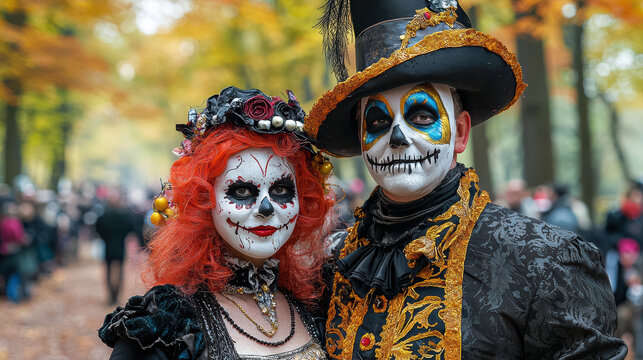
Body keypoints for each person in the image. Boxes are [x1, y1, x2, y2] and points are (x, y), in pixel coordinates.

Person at [306, 0, 626, 358]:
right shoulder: (334, 264)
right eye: (378, 122)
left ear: (460, 132)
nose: (397, 138)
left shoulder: (543, 260)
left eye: (422, 115)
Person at [98, 86, 334, 359]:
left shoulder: (317, 304)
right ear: (203, 201)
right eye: (242, 191)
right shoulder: (168, 323)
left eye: (281, 190)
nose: (266, 209)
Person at [96, 190, 135, 305]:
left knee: (108, 269)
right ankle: (117, 294)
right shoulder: (125, 215)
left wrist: (104, 237)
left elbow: (98, 229)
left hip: (108, 245)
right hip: (120, 245)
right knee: (120, 270)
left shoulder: (103, 216)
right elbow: (130, 228)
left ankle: (110, 294)